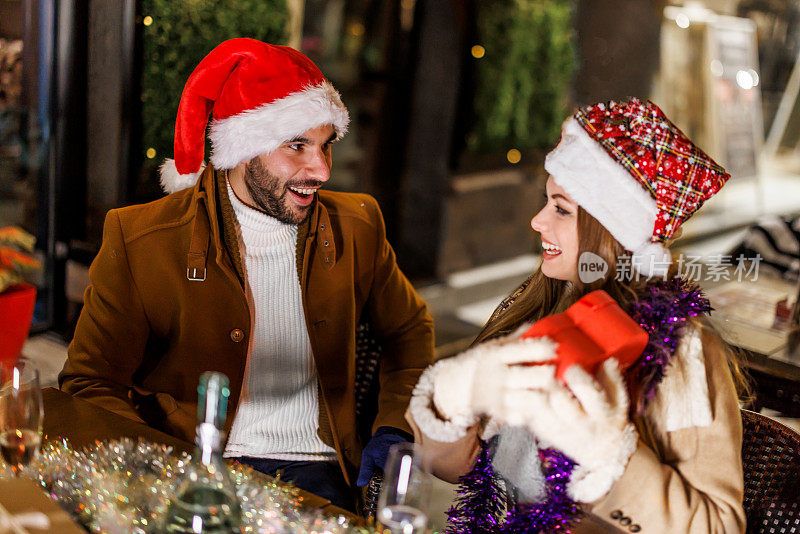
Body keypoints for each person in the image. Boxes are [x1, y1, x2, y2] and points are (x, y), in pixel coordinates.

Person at [59, 38, 434, 512]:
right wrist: (156, 469)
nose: (319, 169)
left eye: (325, 146)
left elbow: (409, 330)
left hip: (322, 475)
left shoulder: (358, 224)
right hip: (192, 471)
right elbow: (90, 382)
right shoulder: (142, 238)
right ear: (242, 148)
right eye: (296, 146)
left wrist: (395, 426)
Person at [407, 98, 747, 532]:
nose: (537, 221)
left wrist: (610, 460)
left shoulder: (683, 350)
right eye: (546, 202)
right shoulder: (537, 303)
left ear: (612, 231)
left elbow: (719, 527)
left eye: (561, 209)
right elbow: (457, 469)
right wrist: (453, 401)